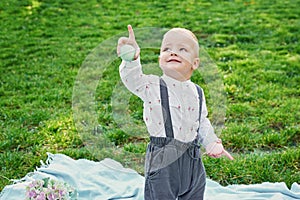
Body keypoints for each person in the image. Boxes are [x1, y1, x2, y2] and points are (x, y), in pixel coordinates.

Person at [117, 25, 233, 200]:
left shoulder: (197, 91)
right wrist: (131, 59)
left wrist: (211, 142)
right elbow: (132, 79)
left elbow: (202, 121)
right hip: (163, 159)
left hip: (192, 160)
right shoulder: (151, 86)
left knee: (195, 194)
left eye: (182, 49)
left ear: (195, 63)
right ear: (160, 59)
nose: (173, 52)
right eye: (167, 49)